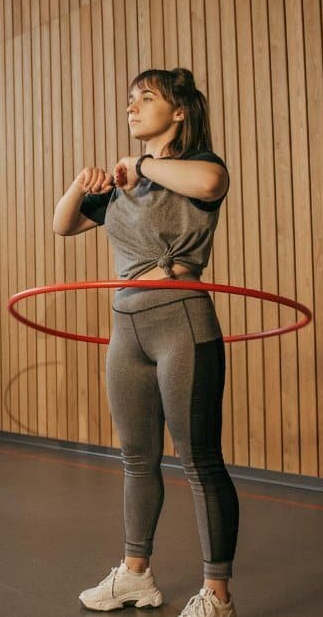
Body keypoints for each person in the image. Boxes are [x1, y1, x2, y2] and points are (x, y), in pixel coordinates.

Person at [52, 68, 237, 616]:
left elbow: (208, 187)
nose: (131, 107)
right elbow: (62, 225)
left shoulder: (199, 165)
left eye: (146, 99)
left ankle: (218, 596)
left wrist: (145, 166)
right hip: (126, 327)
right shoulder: (122, 182)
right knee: (136, 459)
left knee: (199, 460)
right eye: (129, 100)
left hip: (181, 320)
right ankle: (136, 575)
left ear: (178, 111)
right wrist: (81, 185)